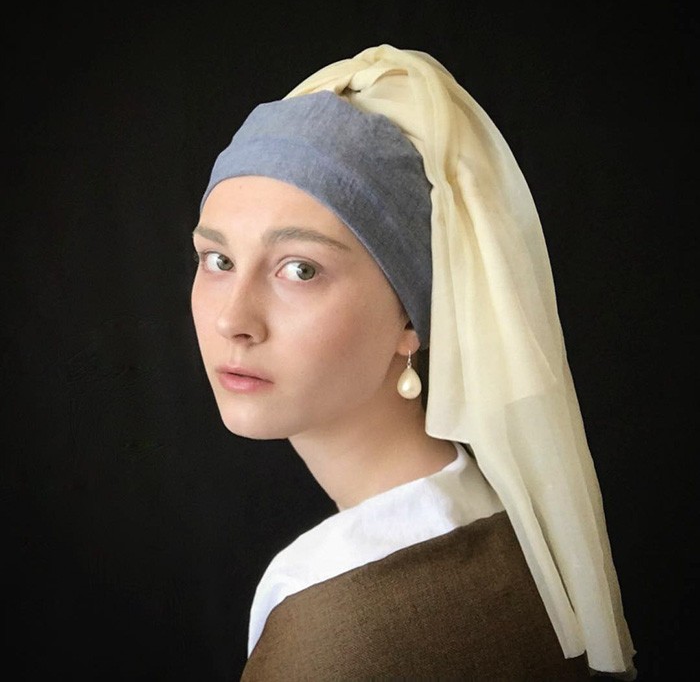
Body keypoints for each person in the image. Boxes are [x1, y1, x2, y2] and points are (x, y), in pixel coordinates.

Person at [191, 44, 637, 679]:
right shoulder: (506, 526)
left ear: (411, 316)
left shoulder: (332, 619)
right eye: (218, 260)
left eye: (301, 269)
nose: (233, 320)